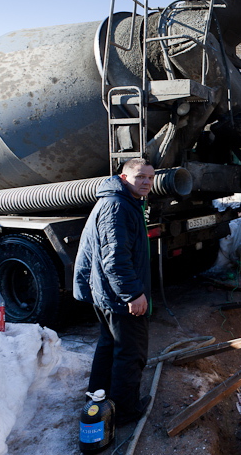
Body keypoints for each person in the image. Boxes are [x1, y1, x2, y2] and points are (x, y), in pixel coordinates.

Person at [73, 158, 155, 425]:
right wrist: (132, 294)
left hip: (108, 293)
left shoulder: (124, 202)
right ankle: (125, 412)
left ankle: (98, 399)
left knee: (110, 346)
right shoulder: (117, 206)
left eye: (150, 178)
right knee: (130, 352)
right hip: (118, 296)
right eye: (140, 176)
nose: (146, 182)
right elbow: (115, 259)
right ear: (123, 177)